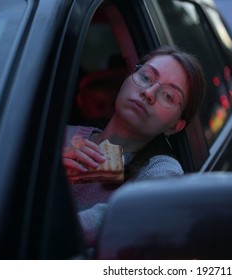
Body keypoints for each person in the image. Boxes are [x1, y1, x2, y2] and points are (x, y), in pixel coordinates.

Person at [62, 45, 206, 249]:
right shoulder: (59, 136)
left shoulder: (160, 169)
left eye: (168, 96)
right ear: (126, 80)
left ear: (175, 126)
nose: (148, 93)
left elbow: (137, 212)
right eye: (146, 77)